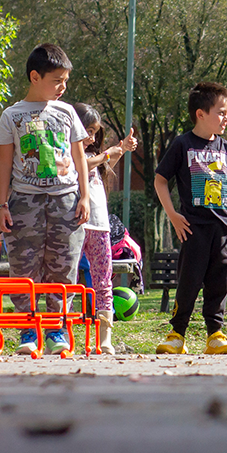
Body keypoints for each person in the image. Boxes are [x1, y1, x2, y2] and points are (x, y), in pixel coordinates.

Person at [0, 44, 91, 356]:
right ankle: (28, 331)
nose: (63, 87)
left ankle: (55, 330)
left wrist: (85, 197)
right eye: (57, 81)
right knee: (24, 268)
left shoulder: (67, 112)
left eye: (66, 81)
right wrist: (1, 205)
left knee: (63, 267)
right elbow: (3, 163)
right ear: (35, 77)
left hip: (65, 200)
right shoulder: (12, 115)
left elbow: (79, 156)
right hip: (25, 201)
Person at [153, 82, 227, 355]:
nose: (226, 118)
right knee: (189, 283)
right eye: (221, 112)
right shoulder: (182, 144)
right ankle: (176, 335)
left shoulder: (226, 148)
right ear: (201, 114)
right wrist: (173, 215)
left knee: (219, 284)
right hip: (194, 230)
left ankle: (215, 335)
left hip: (224, 230)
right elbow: (160, 180)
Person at [72, 103, 138, 355]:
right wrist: (108, 154)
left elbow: (104, 164)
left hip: (100, 226)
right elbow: (81, 164)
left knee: (103, 282)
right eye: (87, 131)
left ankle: (105, 339)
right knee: (68, 282)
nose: (90, 137)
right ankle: (63, 335)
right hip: (74, 227)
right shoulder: (67, 154)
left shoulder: (95, 155)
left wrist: (121, 149)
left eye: (94, 132)